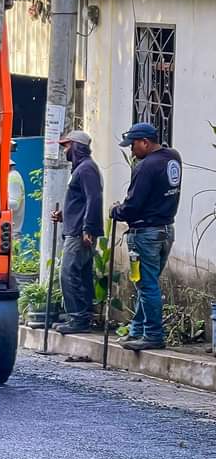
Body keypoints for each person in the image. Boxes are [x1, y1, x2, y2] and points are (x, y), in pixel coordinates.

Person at [110, 122, 182, 351]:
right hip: (166, 230)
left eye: (133, 145)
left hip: (146, 234)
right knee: (148, 284)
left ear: (145, 142)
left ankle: (152, 334)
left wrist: (116, 211)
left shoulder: (146, 167)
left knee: (146, 285)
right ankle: (137, 330)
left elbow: (132, 206)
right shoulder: (173, 157)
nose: (131, 150)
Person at [50, 130, 103, 334]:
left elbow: (94, 198)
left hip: (79, 232)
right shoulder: (82, 169)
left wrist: (88, 228)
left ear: (76, 147)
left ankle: (78, 318)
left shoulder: (86, 169)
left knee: (68, 273)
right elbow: (82, 201)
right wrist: (65, 215)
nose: (65, 150)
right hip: (76, 228)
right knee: (82, 273)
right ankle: (82, 316)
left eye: (67, 145)